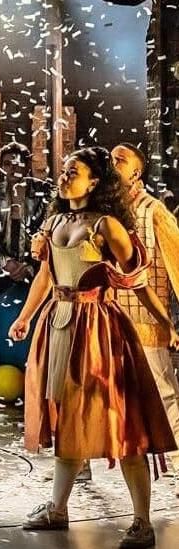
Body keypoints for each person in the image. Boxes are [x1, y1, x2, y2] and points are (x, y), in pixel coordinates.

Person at [9, 146, 178, 549]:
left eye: (74, 172)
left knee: (119, 418)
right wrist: (26, 317)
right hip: (59, 324)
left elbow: (137, 280)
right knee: (67, 414)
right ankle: (57, 508)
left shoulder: (107, 226)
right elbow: (45, 278)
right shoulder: (54, 223)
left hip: (99, 327)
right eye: (64, 170)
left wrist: (165, 321)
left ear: (94, 182)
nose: (64, 177)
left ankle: (141, 520)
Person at [111, 143, 179, 466]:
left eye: (120, 160)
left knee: (163, 392)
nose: (112, 163)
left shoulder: (154, 211)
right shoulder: (103, 210)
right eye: (110, 158)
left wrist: (169, 321)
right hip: (107, 317)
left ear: (136, 172)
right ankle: (78, 460)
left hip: (147, 319)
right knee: (96, 392)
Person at [0, 142, 53, 285]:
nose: (12, 168)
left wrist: (30, 267)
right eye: (7, 164)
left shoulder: (44, 191)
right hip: (5, 266)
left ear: (27, 166)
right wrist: (5, 261)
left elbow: (50, 233)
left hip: (38, 265)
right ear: (2, 168)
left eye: (17, 163)